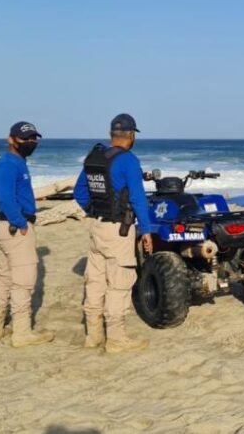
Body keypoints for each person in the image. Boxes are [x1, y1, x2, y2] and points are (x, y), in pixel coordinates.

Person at [73, 113, 153, 353]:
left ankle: (94, 335)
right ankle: (117, 340)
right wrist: (146, 230)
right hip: (120, 230)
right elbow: (138, 198)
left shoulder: (95, 158)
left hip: (97, 227)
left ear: (111, 135)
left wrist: (94, 209)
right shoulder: (128, 160)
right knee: (119, 283)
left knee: (95, 282)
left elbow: (79, 192)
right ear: (130, 136)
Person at [0, 121, 56, 347]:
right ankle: (22, 333)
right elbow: (5, 198)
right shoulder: (8, 164)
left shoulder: (18, 162)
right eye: (26, 138)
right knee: (23, 282)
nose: (31, 142)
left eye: (34, 138)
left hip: (11, 226)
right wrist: (20, 222)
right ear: (11, 139)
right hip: (14, 227)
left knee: (5, 278)